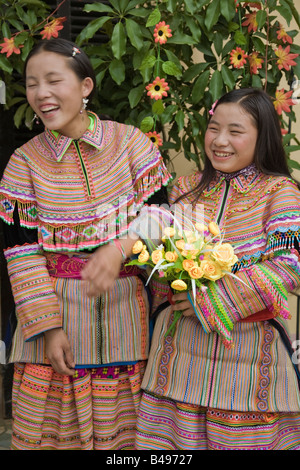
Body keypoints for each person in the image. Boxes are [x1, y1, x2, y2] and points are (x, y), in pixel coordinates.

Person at [0, 38, 171, 450]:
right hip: (55, 320)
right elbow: (20, 253)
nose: (41, 93)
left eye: (54, 80)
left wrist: (119, 247)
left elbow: (163, 216)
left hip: (127, 315)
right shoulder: (23, 164)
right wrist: (49, 328)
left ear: (86, 86)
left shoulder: (130, 143)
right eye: (32, 83)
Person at [133, 87, 300, 450]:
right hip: (176, 360)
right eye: (213, 128)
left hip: (248, 360)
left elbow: (288, 267)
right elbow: (153, 259)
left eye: (235, 131)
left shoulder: (280, 192)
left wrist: (207, 301)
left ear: (262, 137)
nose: (220, 141)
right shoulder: (184, 189)